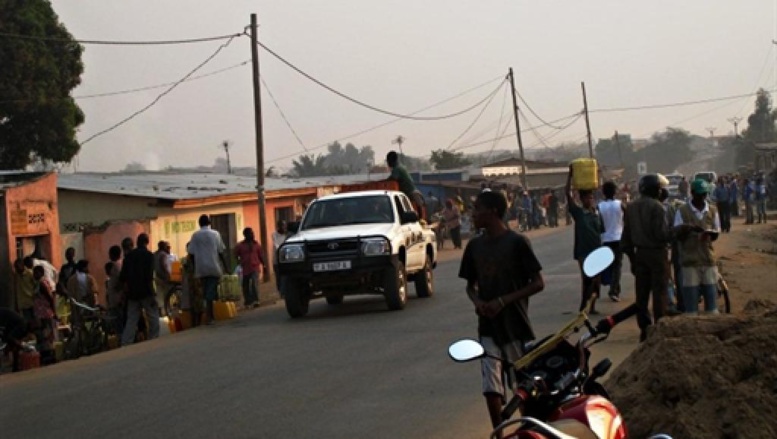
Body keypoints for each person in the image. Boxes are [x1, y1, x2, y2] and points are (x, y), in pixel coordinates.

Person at [458, 191, 545, 432]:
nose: (473, 215)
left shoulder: (517, 242)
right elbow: (469, 285)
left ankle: (529, 431)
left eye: (477, 209)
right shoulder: (474, 246)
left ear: (493, 211)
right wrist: (478, 302)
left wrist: (502, 301)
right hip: (487, 326)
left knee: (522, 386)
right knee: (491, 386)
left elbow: (538, 283)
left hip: (514, 324)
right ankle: (500, 433)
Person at [621, 174, 694, 341]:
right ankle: (659, 331)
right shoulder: (657, 207)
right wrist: (679, 229)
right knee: (660, 294)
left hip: (639, 255)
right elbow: (662, 235)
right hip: (657, 255)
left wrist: (632, 259)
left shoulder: (630, 207)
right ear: (656, 190)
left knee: (642, 295)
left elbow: (625, 239)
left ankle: (644, 330)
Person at [674, 179, 722, 315]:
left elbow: (716, 231)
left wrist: (710, 234)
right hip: (689, 261)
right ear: (692, 193)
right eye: (699, 195)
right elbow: (677, 235)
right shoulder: (682, 211)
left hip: (708, 259)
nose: (702, 198)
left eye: (704, 195)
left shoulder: (712, 210)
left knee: (712, 307)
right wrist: (687, 229)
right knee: (691, 308)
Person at [565, 166, 604, 314]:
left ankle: (592, 307)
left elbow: (601, 232)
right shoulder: (578, 213)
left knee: (597, 281)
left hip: (597, 250)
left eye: (591, 197)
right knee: (587, 278)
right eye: (587, 197)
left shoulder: (596, 213)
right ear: (581, 199)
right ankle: (583, 306)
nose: (590, 200)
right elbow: (567, 194)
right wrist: (570, 176)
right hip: (583, 251)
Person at [187, 214, 228, 325]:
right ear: (209, 223)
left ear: (199, 224)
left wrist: (194, 266)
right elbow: (220, 252)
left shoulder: (195, 235)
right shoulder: (215, 234)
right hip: (213, 266)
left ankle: (210, 315)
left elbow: (191, 254)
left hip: (201, 268)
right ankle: (210, 316)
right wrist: (226, 267)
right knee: (210, 292)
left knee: (206, 290)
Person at [120, 233, 160, 345]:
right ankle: (153, 338)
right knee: (152, 315)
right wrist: (152, 292)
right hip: (146, 291)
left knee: (132, 319)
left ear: (137, 242)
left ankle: (126, 342)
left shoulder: (129, 257)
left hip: (133, 293)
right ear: (146, 242)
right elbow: (149, 276)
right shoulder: (149, 256)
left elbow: (123, 277)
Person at [598, 181, 625, 302]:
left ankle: (613, 287)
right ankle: (614, 290)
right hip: (618, 238)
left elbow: (598, 224)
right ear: (615, 192)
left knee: (609, 265)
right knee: (617, 266)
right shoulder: (620, 204)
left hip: (606, 239)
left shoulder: (599, 206)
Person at [385, 150, 425, 220]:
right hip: (411, 194)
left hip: (409, 195)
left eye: (388, 161)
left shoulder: (397, 169)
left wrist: (381, 182)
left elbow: (392, 179)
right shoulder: (400, 167)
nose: (387, 163)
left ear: (391, 161)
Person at [32, 265, 57, 364]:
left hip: (45, 313)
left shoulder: (43, 283)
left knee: (47, 335)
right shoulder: (38, 283)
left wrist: (54, 312)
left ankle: (50, 355)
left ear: (41, 273)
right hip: (40, 314)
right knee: (43, 335)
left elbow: (50, 298)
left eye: (36, 273)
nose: (34, 275)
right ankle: (46, 355)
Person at [234, 227, 264, 309]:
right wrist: (238, 262)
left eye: (252, 233)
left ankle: (256, 300)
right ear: (245, 235)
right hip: (245, 268)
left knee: (254, 284)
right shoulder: (240, 245)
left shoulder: (256, 244)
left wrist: (264, 264)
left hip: (255, 267)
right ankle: (248, 301)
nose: (252, 234)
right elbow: (235, 254)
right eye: (250, 233)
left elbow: (261, 255)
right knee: (245, 285)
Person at [0, 308, 32, 372]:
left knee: (10, 339)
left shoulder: (2, 313)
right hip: (14, 325)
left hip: (19, 325)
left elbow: (3, 328)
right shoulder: (3, 312)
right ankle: (15, 366)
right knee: (11, 343)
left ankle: (22, 346)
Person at [105, 245, 125, 336]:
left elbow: (120, 282)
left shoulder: (116, 266)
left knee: (118, 321)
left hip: (117, 299)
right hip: (117, 298)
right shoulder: (120, 264)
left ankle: (122, 339)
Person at [13, 258, 36, 327]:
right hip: (23, 304)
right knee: (27, 322)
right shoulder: (16, 275)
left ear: (22, 265)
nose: (16, 269)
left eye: (18, 267)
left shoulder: (30, 273)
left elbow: (36, 285)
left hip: (32, 302)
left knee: (35, 321)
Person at [272, 220, 288, 292]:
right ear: (278, 227)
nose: (284, 227)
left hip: (286, 259)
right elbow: (276, 246)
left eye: (285, 225)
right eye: (282, 225)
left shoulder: (287, 235)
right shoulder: (274, 234)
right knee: (278, 277)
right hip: (277, 261)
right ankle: (281, 291)